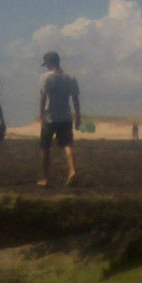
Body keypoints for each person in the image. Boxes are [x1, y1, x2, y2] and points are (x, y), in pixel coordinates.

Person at [38, 51, 81, 187]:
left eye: (46, 64)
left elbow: (43, 97)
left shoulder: (46, 77)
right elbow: (75, 98)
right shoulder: (70, 77)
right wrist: (78, 116)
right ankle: (72, 171)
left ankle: (45, 178)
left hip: (50, 117)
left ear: (50, 63)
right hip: (66, 117)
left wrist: (41, 115)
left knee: (45, 148)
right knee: (67, 145)